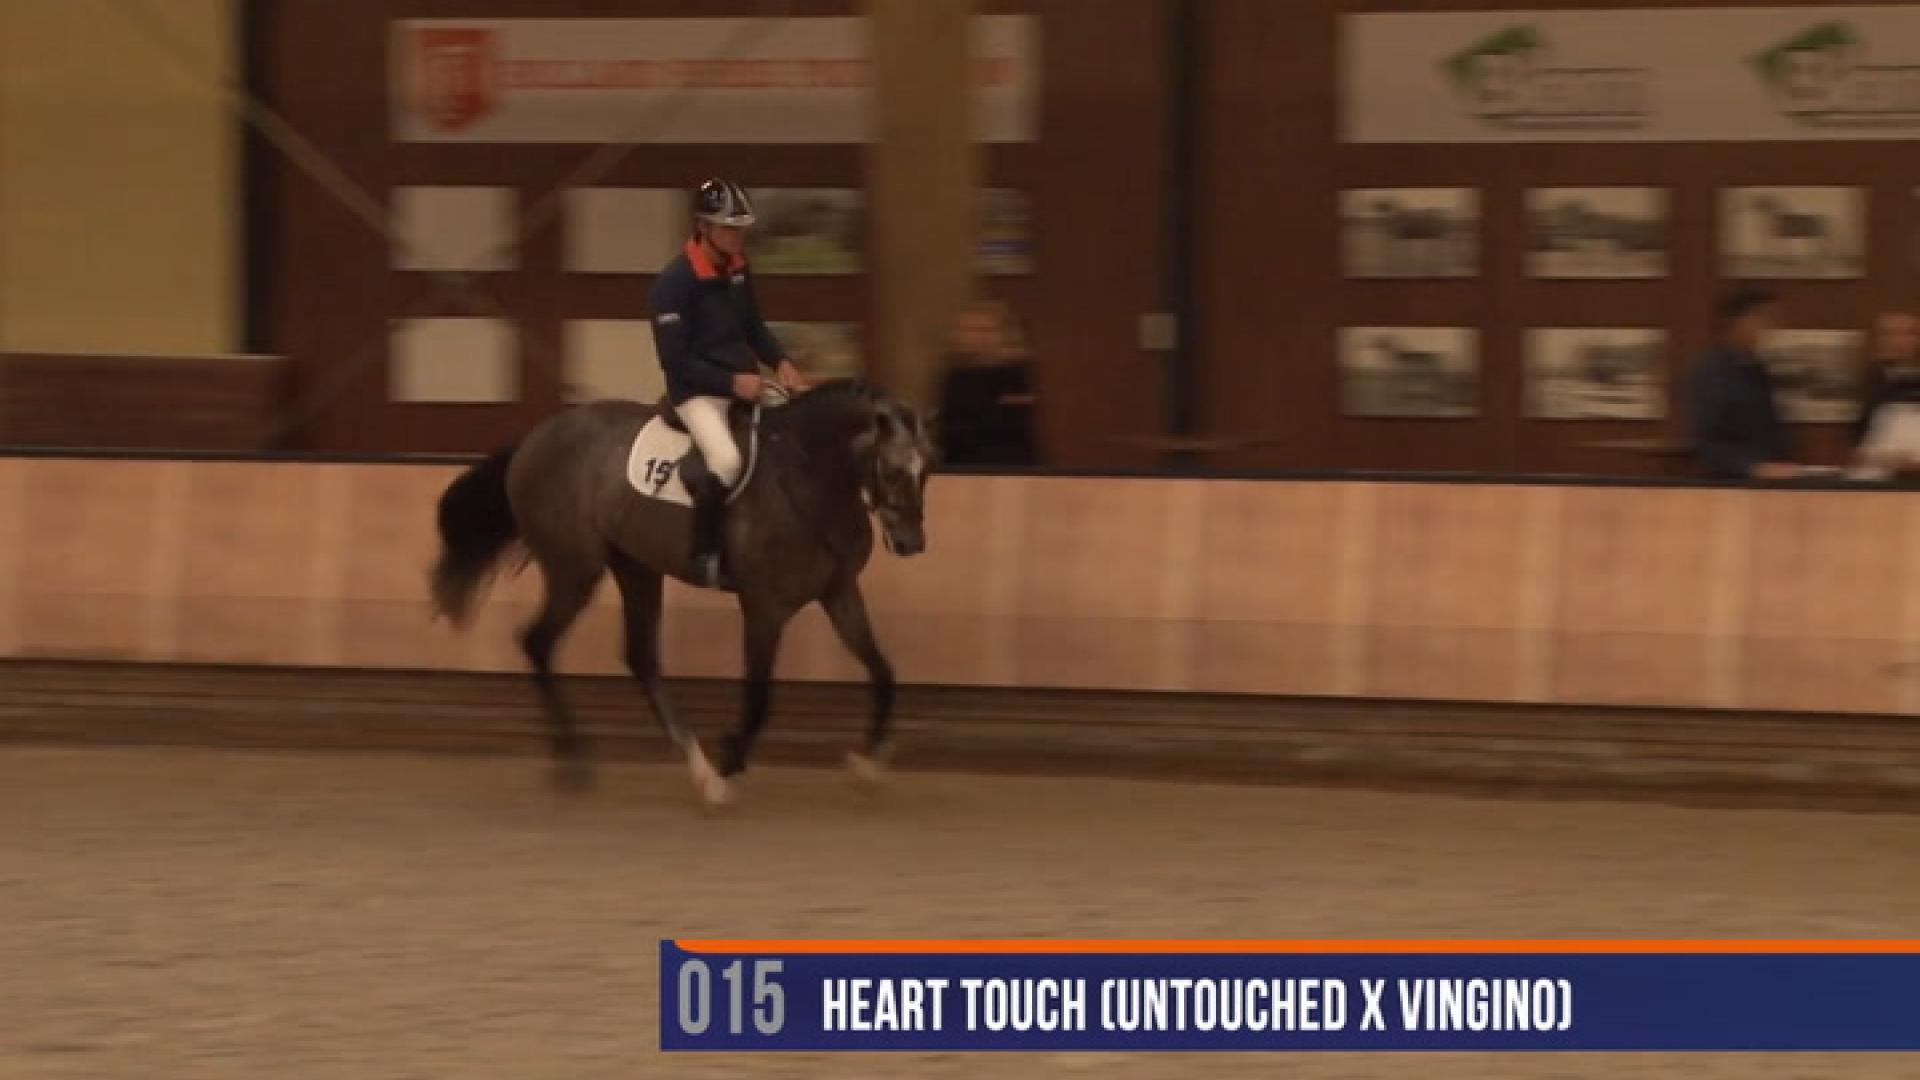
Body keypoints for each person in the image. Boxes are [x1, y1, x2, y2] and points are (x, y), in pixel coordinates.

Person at [647, 178, 809, 587]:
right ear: (704, 227)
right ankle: (705, 554)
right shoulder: (673, 284)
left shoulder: (738, 268)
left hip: (744, 381)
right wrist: (731, 382)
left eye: (742, 230)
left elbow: (753, 327)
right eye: (730, 229)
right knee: (726, 461)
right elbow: (674, 361)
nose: (738, 237)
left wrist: (781, 361)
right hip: (696, 393)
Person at [1688, 285, 1800, 481]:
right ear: (1736, 322)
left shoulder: (1756, 369)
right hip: (1729, 483)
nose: (1770, 328)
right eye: (1762, 318)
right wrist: (1753, 468)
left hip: (1768, 480)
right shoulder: (1711, 372)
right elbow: (1707, 443)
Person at [935, 299, 1036, 466]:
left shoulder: (1012, 374)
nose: (978, 337)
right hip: (962, 465)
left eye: (985, 330)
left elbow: (1010, 426)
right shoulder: (954, 378)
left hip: (1008, 464)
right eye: (970, 330)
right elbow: (948, 430)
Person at [1852, 310, 1920, 476]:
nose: (1896, 341)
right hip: (1878, 477)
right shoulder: (1872, 383)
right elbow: (1862, 440)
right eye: (1887, 333)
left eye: (1907, 333)